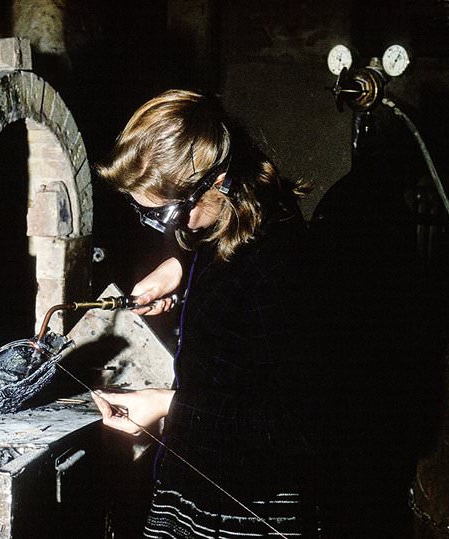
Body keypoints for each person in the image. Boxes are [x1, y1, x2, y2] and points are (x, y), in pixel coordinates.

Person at [91, 89, 322, 538]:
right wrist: (179, 272)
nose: (164, 229)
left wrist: (165, 405)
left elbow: (293, 425)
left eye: (168, 214)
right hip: (198, 475)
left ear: (218, 181)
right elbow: (235, 293)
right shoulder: (239, 219)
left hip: (249, 504)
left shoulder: (284, 263)